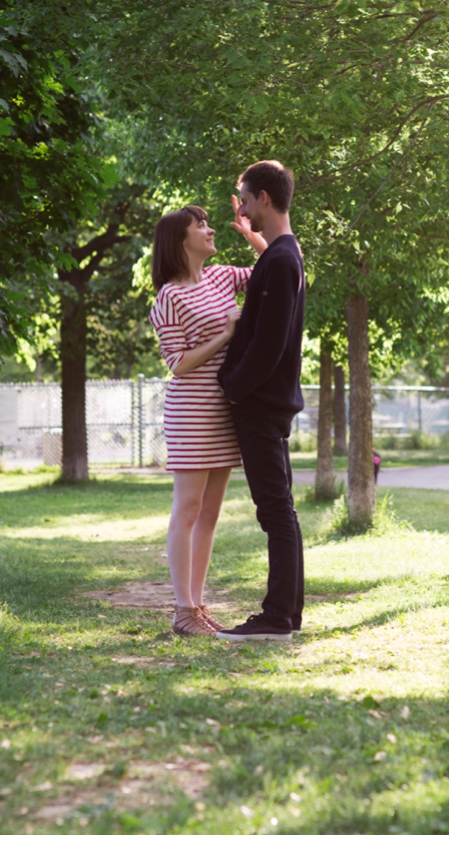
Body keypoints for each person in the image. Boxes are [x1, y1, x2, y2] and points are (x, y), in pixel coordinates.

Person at [147, 202, 266, 637]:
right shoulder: (169, 297)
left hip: (223, 407)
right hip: (191, 411)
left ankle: (197, 607)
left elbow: (273, 270)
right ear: (182, 240)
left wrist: (254, 236)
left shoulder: (221, 276)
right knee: (189, 508)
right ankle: (182, 609)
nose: (211, 230)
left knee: (211, 512)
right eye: (202, 226)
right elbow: (177, 364)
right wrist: (226, 335)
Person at [213, 160, 308, 642]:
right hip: (271, 404)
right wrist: (252, 236)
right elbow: (272, 258)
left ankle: (276, 618)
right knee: (281, 510)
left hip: (261, 406)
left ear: (263, 199)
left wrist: (231, 386)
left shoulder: (281, 260)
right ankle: (286, 615)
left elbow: (268, 346)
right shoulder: (285, 254)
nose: (243, 207)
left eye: (247, 199)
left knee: (274, 512)